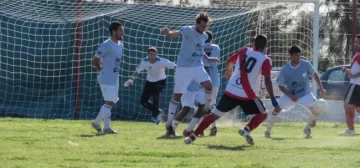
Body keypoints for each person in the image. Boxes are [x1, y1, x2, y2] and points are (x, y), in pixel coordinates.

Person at [184, 35, 280, 145]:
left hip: (231, 90)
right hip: (246, 94)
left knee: (214, 115)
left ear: (253, 44)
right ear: (265, 47)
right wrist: (272, 98)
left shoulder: (244, 50)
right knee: (263, 114)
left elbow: (229, 61)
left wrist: (229, 72)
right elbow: (267, 80)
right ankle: (246, 130)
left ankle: (192, 137)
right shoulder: (266, 60)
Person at [161, 11, 219, 136]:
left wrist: (208, 59)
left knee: (209, 86)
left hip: (198, 67)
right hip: (184, 68)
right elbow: (174, 34)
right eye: (202, 26)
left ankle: (207, 108)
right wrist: (168, 33)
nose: (204, 28)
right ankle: (169, 124)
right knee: (177, 96)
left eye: (206, 26)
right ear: (197, 24)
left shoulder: (204, 36)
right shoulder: (188, 30)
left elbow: (200, 49)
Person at [264, 45, 325, 139]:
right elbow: (280, 85)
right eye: (296, 55)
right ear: (291, 56)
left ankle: (307, 128)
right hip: (290, 95)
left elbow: (314, 75)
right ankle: (268, 130)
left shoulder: (306, 64)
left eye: (300, 55)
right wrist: (290, 95)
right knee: (277, 108)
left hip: (306, 94)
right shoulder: (285, 70)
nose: (299, 57)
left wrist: (321, 88)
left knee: (316, 109)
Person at [124, 47, 176, 124]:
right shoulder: (144, 61)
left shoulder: (161, 61)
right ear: (148, 54)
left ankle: (154, 116)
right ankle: (157, 111)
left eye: (154, 54)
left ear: (157, 54)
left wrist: (180, 71)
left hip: (161, 81)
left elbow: (174, 66)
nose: (152, 56)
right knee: (143, 101)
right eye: (151, 54)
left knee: (155, 94)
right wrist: (131, 79)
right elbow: (137, 71)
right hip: (149, 81)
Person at [91, 22, 124, 134]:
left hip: (115, 79)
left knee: (111, 103)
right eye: (120, 30)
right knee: (109, 102)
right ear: (114, 32)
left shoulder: (120, 45)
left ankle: (96, 123)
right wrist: (100, 70)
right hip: (106, 78)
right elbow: (95, 59)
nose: (122, 32)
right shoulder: (106, 44)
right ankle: (106, 128)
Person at [340, 35, 360, 136]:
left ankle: (351, 130)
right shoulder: (357, 55)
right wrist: (347, 70)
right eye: (355, 42)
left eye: (358, 42)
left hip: (356, 86)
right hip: (357, 85)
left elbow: (356, 73)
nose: (355, 44)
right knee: (357, 108)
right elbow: (354, 71)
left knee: (347, 105)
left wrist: (354, 75)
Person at [203, 30, 221, 136]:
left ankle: (203, 127)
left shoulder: (199, 47)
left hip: (201, 80)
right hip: (214, 80)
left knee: (202, 105)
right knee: (211, 105)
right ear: (211, 39)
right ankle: (213, 127)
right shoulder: (216, 47)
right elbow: (214, 62)